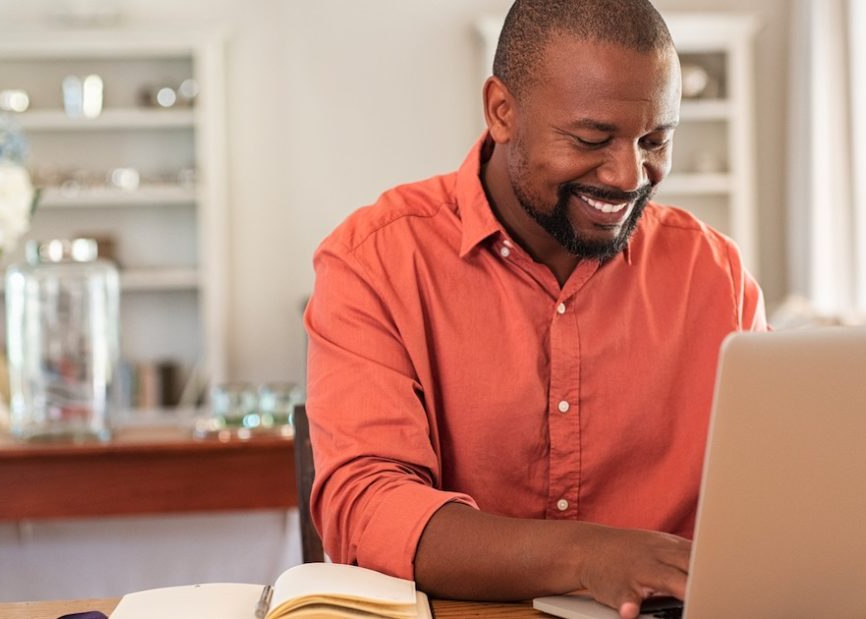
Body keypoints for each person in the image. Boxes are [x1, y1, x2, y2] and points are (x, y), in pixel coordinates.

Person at [304, 1, 768, 617]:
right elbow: (367, 508)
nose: (629, 175)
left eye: (655, 140)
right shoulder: (374, 261)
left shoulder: (716, 275)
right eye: (591, 139)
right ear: (502, 111)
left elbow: (772, 494)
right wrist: (588, 556)